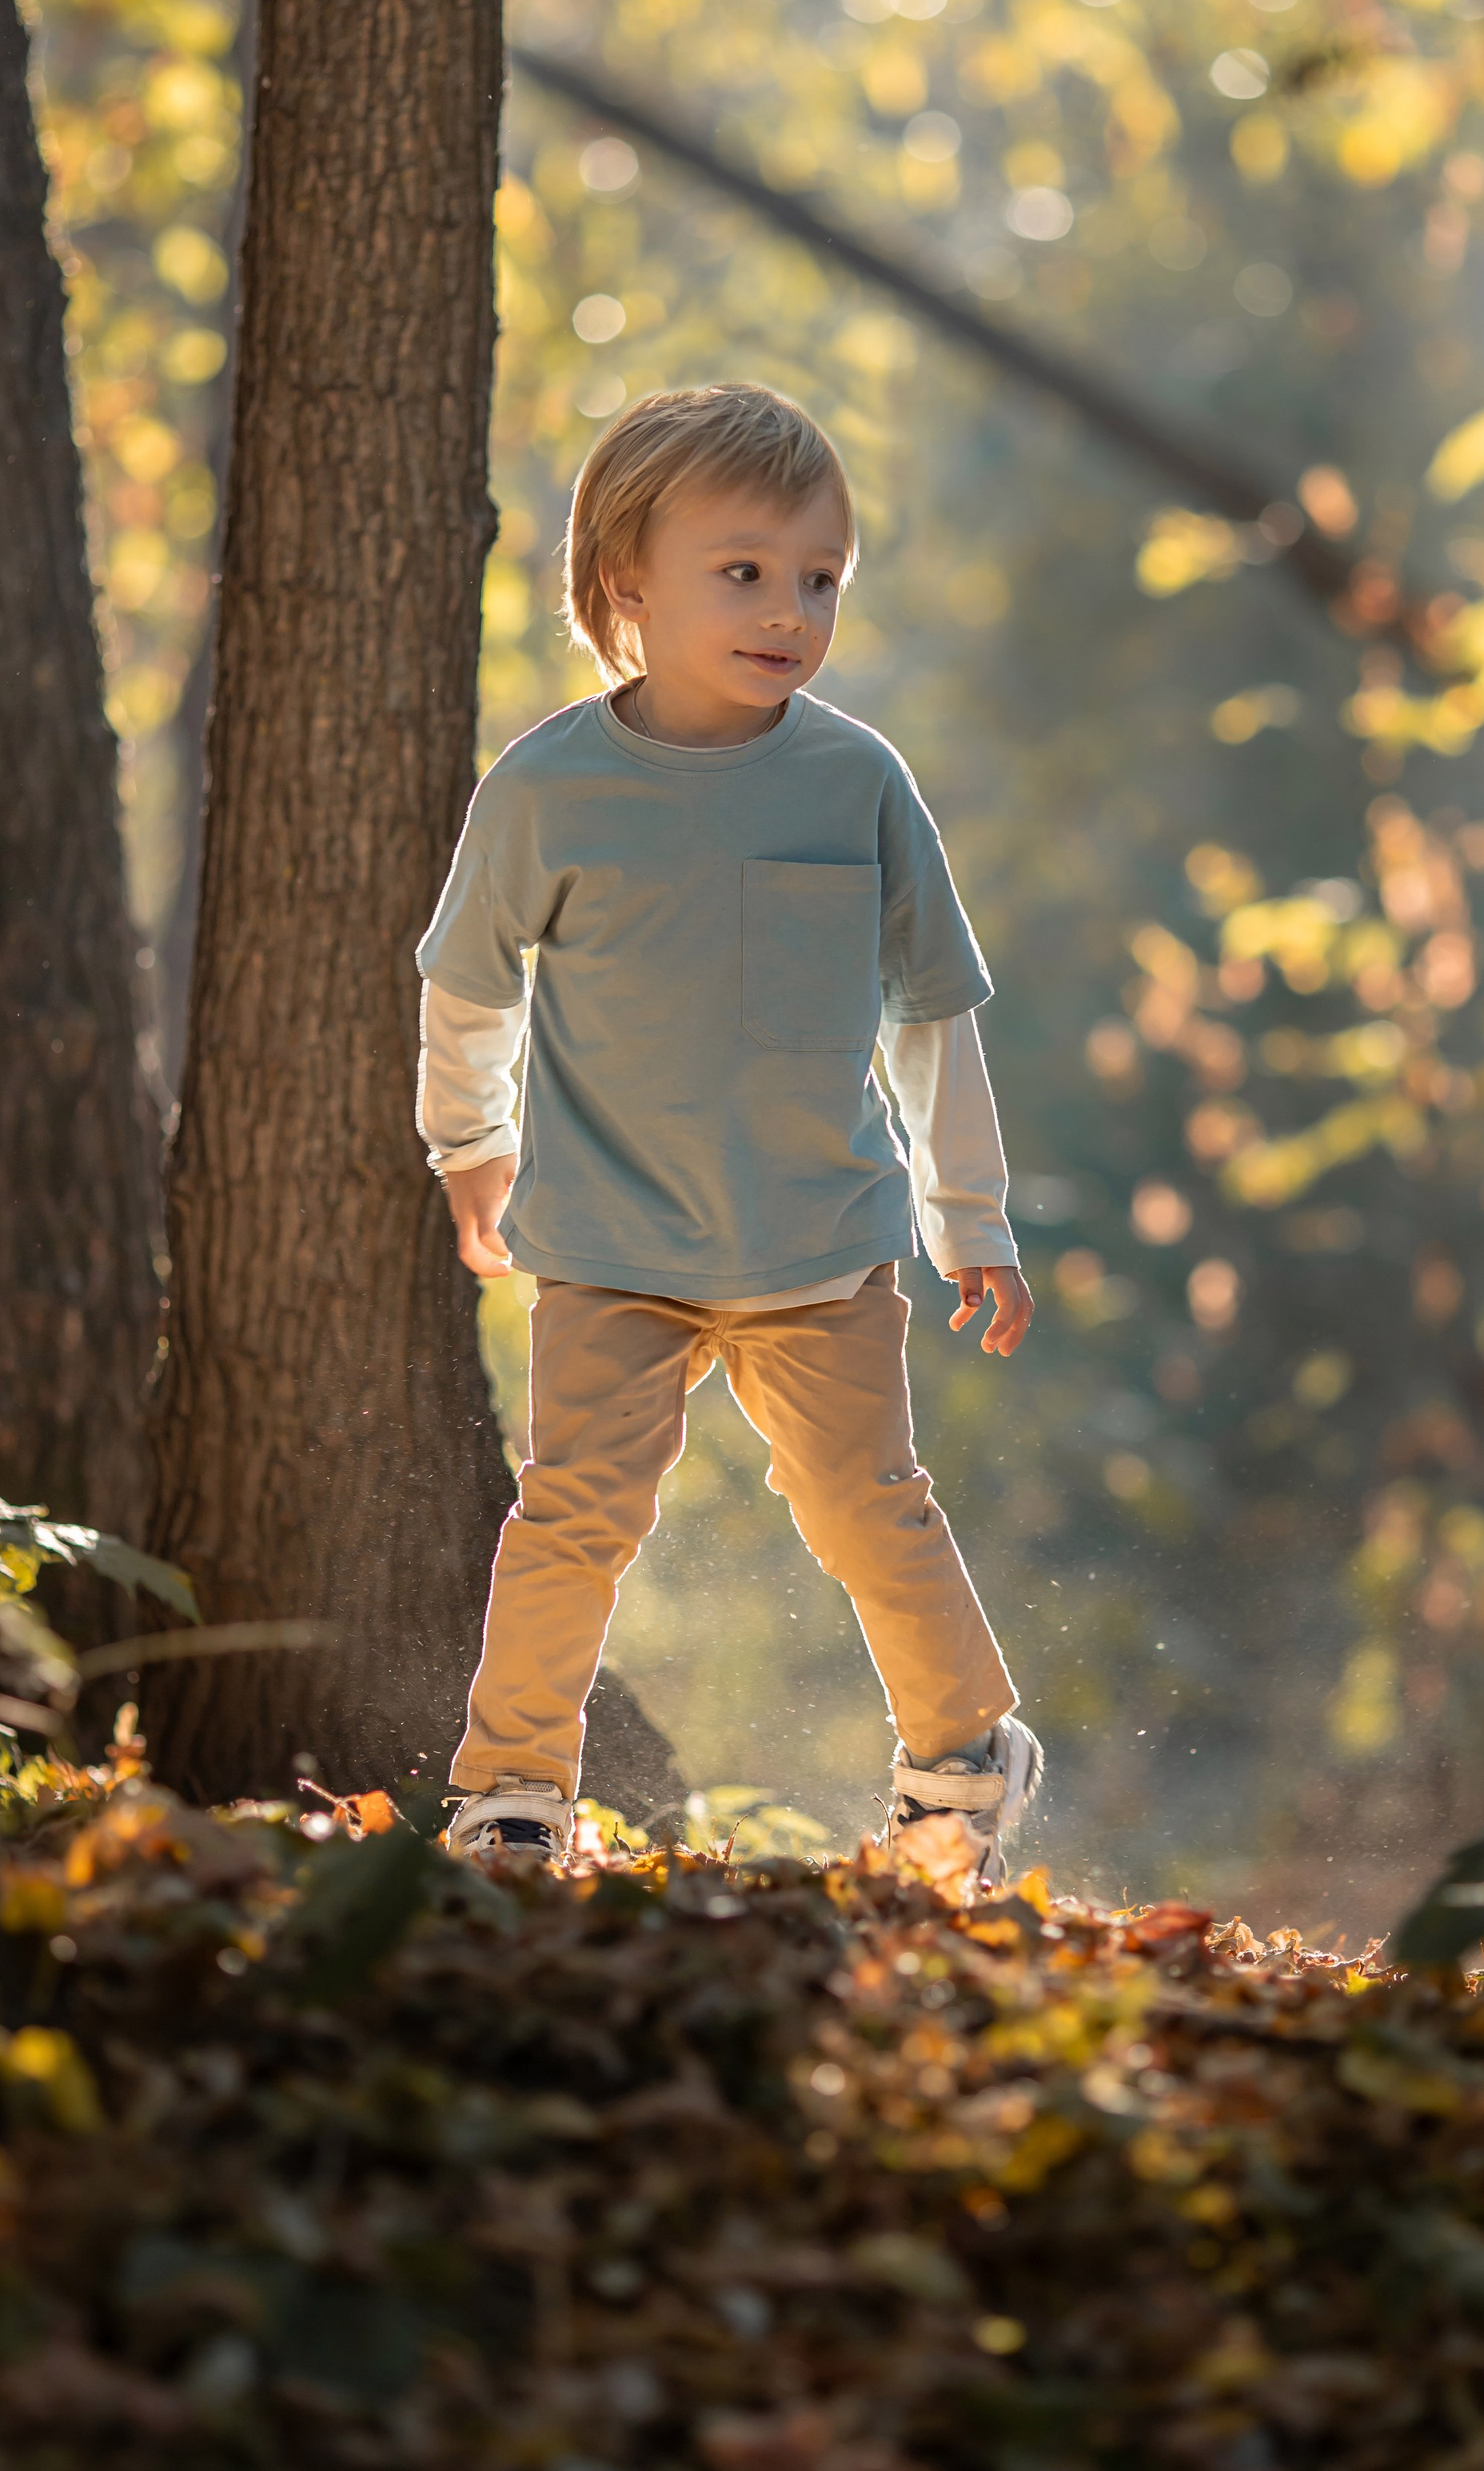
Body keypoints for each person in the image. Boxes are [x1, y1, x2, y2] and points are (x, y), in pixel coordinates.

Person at [416, 380, 1040, 1879]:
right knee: (568, 1517)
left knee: (865, 1504)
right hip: (610, 1244)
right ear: (627, 580)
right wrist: (469, 1148)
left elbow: (933, 1017)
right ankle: (510, 1790)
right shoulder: (549, 788)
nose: (790, 610)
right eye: (745, 570)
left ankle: (966, 1757)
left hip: (821, 1245)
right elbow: (465, 984)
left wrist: (975, 1224)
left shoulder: (858, 781)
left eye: (820, 577)